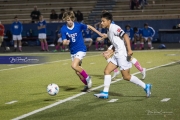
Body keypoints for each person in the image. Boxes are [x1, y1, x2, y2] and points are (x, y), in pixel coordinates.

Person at [94, 12, 151, 99]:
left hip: (122, 55)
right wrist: (110, 52)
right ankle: (105, 93)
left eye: (103, 21)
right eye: (101, 21)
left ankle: (145, 86)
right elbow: (116, 43)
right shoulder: (108, 30)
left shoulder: (114, 28)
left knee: (126, 77)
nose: (101, 23)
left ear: (109, 21)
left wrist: (129, 50)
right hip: (117, 54)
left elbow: (126, 36)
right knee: (106, 71)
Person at [60, 11, 104, 92]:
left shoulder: (78, 25)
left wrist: (100, 34)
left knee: (73, 65)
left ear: (73, 19)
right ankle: (87, 85)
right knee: (77, 72)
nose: (68, 21)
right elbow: (64, 40)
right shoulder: (63, 29)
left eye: (69, 19)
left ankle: (88, 78)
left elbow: (90, 27)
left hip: (81, 49)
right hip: (73, 51)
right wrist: (65, 42)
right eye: (67, 20)